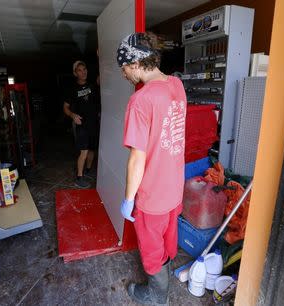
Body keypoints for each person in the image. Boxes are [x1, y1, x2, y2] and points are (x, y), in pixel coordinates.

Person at [117, 33, 187, 305]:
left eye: (124, 67)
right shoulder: (177, 85)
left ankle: (157, 295)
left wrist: (128, 199)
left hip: (152, 194)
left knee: (151, 246)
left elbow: (137, 158)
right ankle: (164, 283)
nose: (124, 74)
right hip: (174, 188)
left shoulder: (140, 100)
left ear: (134, 62)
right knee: (168, 238)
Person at [63, 60, 100, 188]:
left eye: (84, 69)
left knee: (91, 150)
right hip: (82, 125)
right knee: (84, 151)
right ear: (75, 73)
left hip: (94, 124)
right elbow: (65, 107)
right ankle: (79, 177)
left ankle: (88, 171)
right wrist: (73, 115)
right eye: (79, 70)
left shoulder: (93, 85)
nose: (83, 72)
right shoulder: (72, 90)